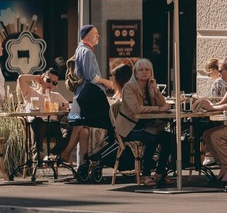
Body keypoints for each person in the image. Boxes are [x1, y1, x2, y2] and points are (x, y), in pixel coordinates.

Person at [60, 26, 115, 166]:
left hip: (82, 94)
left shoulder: (80, 50)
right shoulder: (87, 52)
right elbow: (92, 77)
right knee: (107, 126)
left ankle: (78, 160)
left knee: (81, 127)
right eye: (95, 34)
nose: (98, 36)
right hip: (90, 95)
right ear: (86, 37)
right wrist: (106, 82)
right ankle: (86, 158)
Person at [117, 58, 176, 187]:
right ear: (135, 73)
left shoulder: (150, 86)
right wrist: (159, 109)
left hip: (147, 126)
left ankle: (160, 173)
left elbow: (163, 104)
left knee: (170, 139)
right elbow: (136, 109)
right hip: (130, 128)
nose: (144, 72)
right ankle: (146, 174)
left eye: (147, 70)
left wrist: (155, 90)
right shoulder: (129, 87)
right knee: (152, 139)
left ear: (151, 72)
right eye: (141, 70)